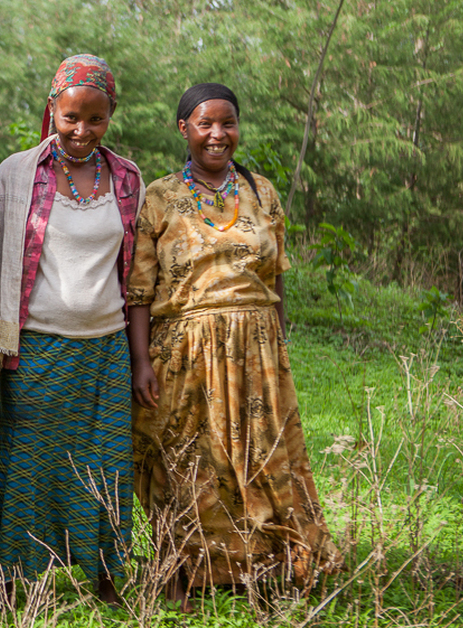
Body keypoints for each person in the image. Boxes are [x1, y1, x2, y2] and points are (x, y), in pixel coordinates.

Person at [127, 83, 342, 607]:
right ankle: (180, 567)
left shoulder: (261, 191)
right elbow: (138, 290)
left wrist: (277, 343)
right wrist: (139, 363)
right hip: (184, 349)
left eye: (228, 123)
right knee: (185, 456)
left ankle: (262, 566)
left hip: (257, 349)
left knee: (260, 457)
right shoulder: (158, 196)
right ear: (185, 129)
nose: (218, 135)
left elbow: (277, 277)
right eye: (206, 124)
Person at [0, 54, 143, 604]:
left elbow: (136, 270)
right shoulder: (16, 173)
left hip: (106, 350)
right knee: (29, 467)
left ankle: (105, 576)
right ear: (52, 108)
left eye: (95, 120)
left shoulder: (127, 178)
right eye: (71, 117)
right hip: (36, 349)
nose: (82, 131)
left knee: (106, 466)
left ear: (110, 116)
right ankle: (15, 582)